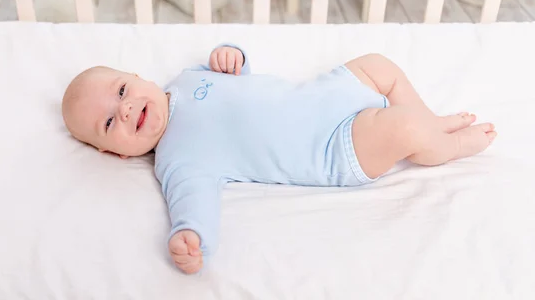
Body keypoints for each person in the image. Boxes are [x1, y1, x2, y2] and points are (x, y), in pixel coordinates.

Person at [61, 44, 496, 274]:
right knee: (401, 128)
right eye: (107, 123)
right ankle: (448, 145)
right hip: (334, 145)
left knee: (378, 65)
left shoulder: (186, 78)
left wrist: (230, 56)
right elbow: (191, 200)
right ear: (113, 153)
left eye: (121, 91)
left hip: (330, 94)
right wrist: (190, 235)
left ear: (137, 77)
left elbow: (237, 74)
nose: (123, 109)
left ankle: (430, 121)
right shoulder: (177, 158)